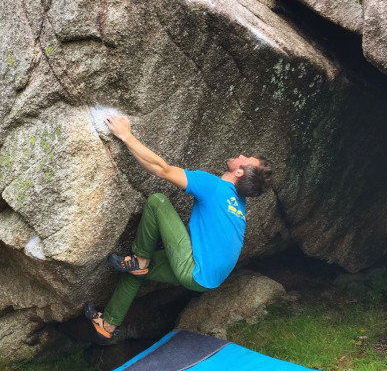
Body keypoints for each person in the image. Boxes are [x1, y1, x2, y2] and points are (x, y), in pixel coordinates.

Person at [85, 112, 273, 340]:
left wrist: (126, 135)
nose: (241, 154)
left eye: (246, 159)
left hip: (194, 267)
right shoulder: (238, 203)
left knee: (157, 202)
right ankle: (108, 325)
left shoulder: (215, 187)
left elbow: (161, 169)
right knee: (135, 272)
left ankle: (140, 259)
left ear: (239, 172)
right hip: (207, 281)